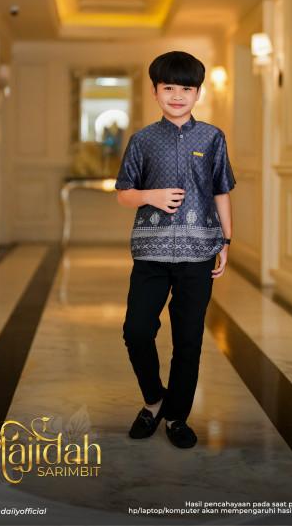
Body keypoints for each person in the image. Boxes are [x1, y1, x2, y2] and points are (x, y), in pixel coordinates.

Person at [115, 51, 235, 449]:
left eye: (186, 88)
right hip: (150, 253)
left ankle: (176, 416)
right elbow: (124, 194)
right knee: (136, 331)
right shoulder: (142, 140)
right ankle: (154, 401)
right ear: (154, 92)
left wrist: (226, 241)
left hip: (198, 254)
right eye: (169, 87)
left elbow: (221, 191)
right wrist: (150, 195)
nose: (178, 96)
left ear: (199, 93)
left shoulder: (212, 138)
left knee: (188, 340)